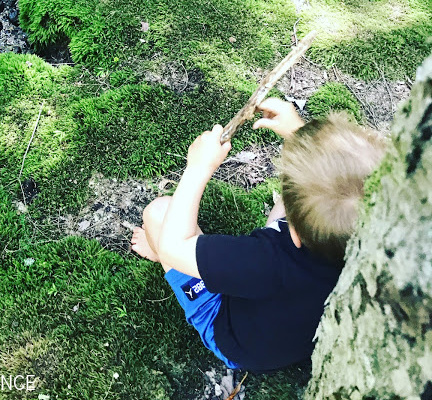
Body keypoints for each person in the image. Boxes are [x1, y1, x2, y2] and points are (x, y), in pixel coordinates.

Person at [130, 98, 386, 372]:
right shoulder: (377, 247)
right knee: (316, 199)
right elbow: (337, 185)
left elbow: (174, 245)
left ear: (295, 234)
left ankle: (163, 258)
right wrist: (299, 135)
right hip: (297, 333)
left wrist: (198, 169)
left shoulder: (266, 258)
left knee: (160, 214)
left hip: (233, 337)